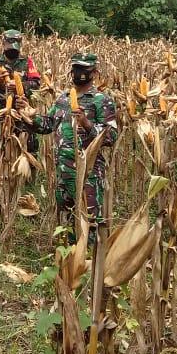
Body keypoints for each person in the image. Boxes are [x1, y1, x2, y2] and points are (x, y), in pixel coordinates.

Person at [33, 53, 117, 245]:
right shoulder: (63, 98)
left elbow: (111, 137)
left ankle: (89, 265)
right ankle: (69, 263)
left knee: (89, 222)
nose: (79, 74)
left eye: (84, 70)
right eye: (76, 69)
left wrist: (87, 123)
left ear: (94, 72)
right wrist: (28, 116)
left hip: (88, 172)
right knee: (68, 220)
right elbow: (48, 124)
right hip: (63, 171)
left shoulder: (101, 100)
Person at [0, 29, 42, 153]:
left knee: (28, 151)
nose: (12, 51)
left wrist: (22, 86)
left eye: (15, 48)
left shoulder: (27, 62)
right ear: (3, 44)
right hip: (2, 115)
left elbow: (36, 84)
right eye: (10, 48)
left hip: (24, 114)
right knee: (3, 152)